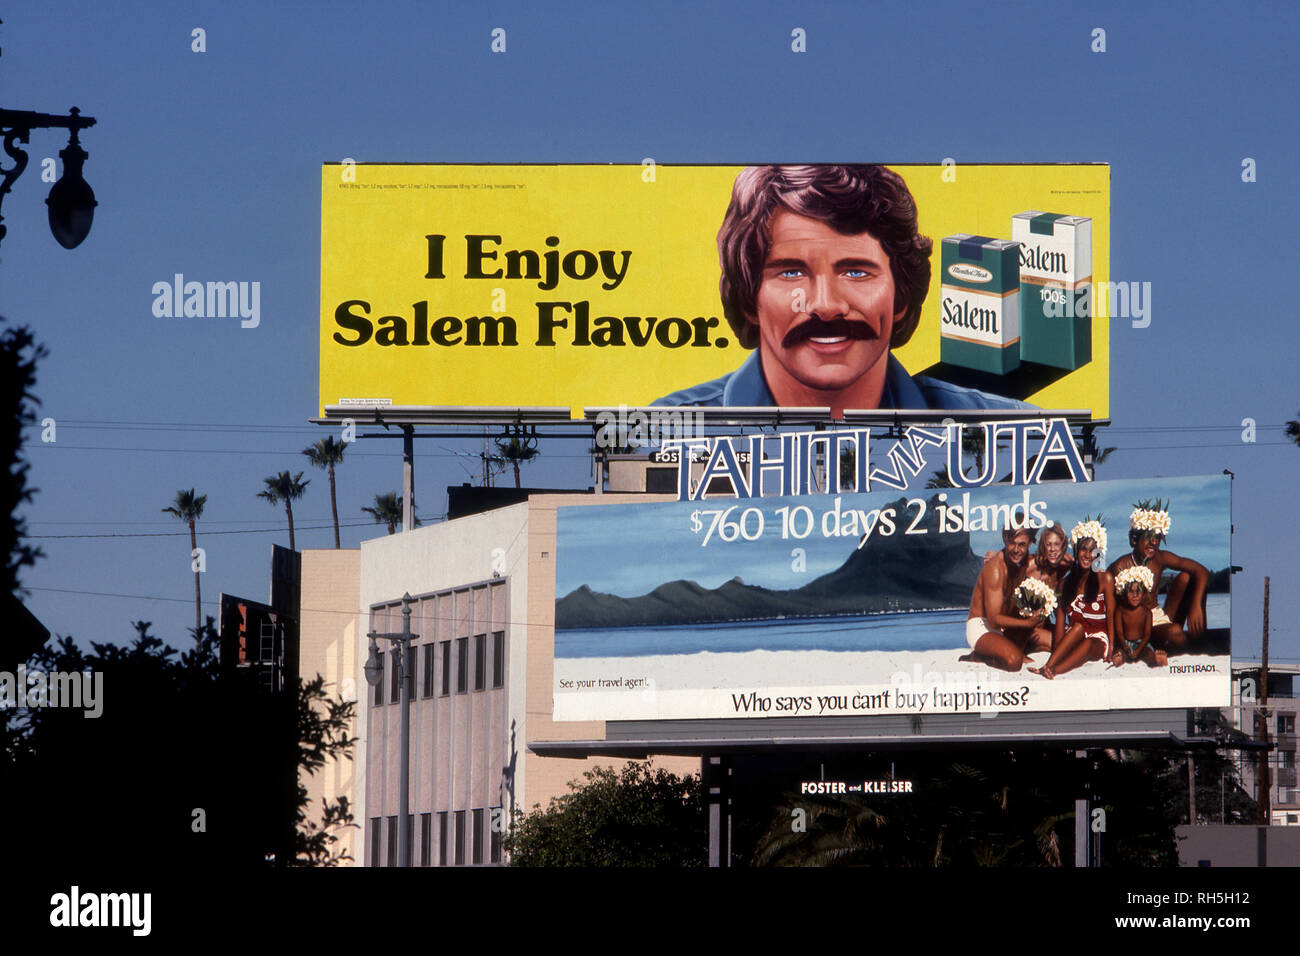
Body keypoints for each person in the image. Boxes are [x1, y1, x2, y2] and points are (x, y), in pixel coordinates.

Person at [651, 165, 1032, 415]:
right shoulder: (663, 436)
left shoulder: (1016, 432)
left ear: (901, 297)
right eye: (791, 273)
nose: (826, 305)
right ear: (750, 298)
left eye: (855, 272)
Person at [1106, 500, 1208, 656]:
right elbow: (1108, 604)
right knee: (1175, 633)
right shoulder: (1119, 566)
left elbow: (1201, 570)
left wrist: (1195, 606)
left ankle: (1199, 639)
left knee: (1187, 577)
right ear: (1134, 540)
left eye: (1158, 538)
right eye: (1148, 537)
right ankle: (1178, 640)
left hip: (1158, 617)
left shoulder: (1160, 558)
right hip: (1136, 624)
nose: (1153, 542)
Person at [1028, 519, 1112, 679]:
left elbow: (1112, 616)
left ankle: (1053, 670)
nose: (1087, 555)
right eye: (1083, 549)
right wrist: (1057, 650)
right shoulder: (1065, 583)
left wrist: (1113, 647)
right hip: (1075, 634)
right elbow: (1060, 622)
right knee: (1077, 627)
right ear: (1076, 550)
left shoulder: (1104, 578)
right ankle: (1048, 665)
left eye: (1092, 551)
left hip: (1097, 639)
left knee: (1087, 643)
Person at [961, 526, 1044, 672]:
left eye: (1022, 544)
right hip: (982, 627)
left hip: (1001, 628)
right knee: (1013, 662)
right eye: (1012, 543)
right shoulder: (996, 568)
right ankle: (979, 656)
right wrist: (1027, 623)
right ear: (1005, 539)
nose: (1016, 550)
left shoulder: (1022, 562)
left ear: (1030, 543)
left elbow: (1053, 560)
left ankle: (1004, 649)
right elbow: (993, 619)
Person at [1111, 566, 1165, 667]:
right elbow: (1119, 631)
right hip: (1125, 643)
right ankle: (1119, 659)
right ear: (1124, 593)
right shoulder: (1120, 610)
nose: (1135, 595)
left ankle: (1156, 660)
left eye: (1138, 592)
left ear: (1144, 593)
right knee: (1120, 653)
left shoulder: (1147, 612)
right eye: (1131, 591)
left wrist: (1138, 649)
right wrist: (1124, 645)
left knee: (1148, 654)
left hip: (1142, 644)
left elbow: (1147, 635)